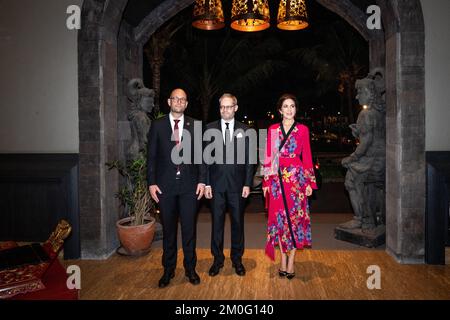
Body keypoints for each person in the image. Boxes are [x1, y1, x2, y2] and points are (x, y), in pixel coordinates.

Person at [147, 88, 205, 288]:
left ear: (186, 104)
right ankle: (168, 270)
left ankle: (190, 269)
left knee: (189, 231)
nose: (179, 102)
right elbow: (152, 157)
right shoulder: (158, 125)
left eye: (183, 100)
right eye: (176, 99)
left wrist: (202, 181)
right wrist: (151, 183)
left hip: (190, 187)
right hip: (165, 188)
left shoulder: (195, 125)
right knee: (169, 231)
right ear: (169, 102)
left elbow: (201, 158)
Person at [262, 93, 317, 279]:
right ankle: (282, 260)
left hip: (296, 181)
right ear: (279, 110)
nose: (289, 109)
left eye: (292, 106)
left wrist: (310, 182)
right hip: (277, 181)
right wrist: (266, 182)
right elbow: (268, 158)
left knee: (295, 222)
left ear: (296, 109)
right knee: (280, 222)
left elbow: (307, 156)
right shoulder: (272, 130)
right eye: (285, 106)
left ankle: (291, 261)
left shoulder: (302, 129)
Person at [204, 93, 254, 277]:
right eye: (222, 107)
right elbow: (205, 161)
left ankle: (237, 260)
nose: (225, 110)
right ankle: (217, 260)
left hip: (238, 187)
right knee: (216, 225)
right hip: (216, 187)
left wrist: (248, 184)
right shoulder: (209, 129)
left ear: (236, 107)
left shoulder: (246, 130)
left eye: (229, 106)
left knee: (237, 224)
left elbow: (250, 160)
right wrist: (207, 184)